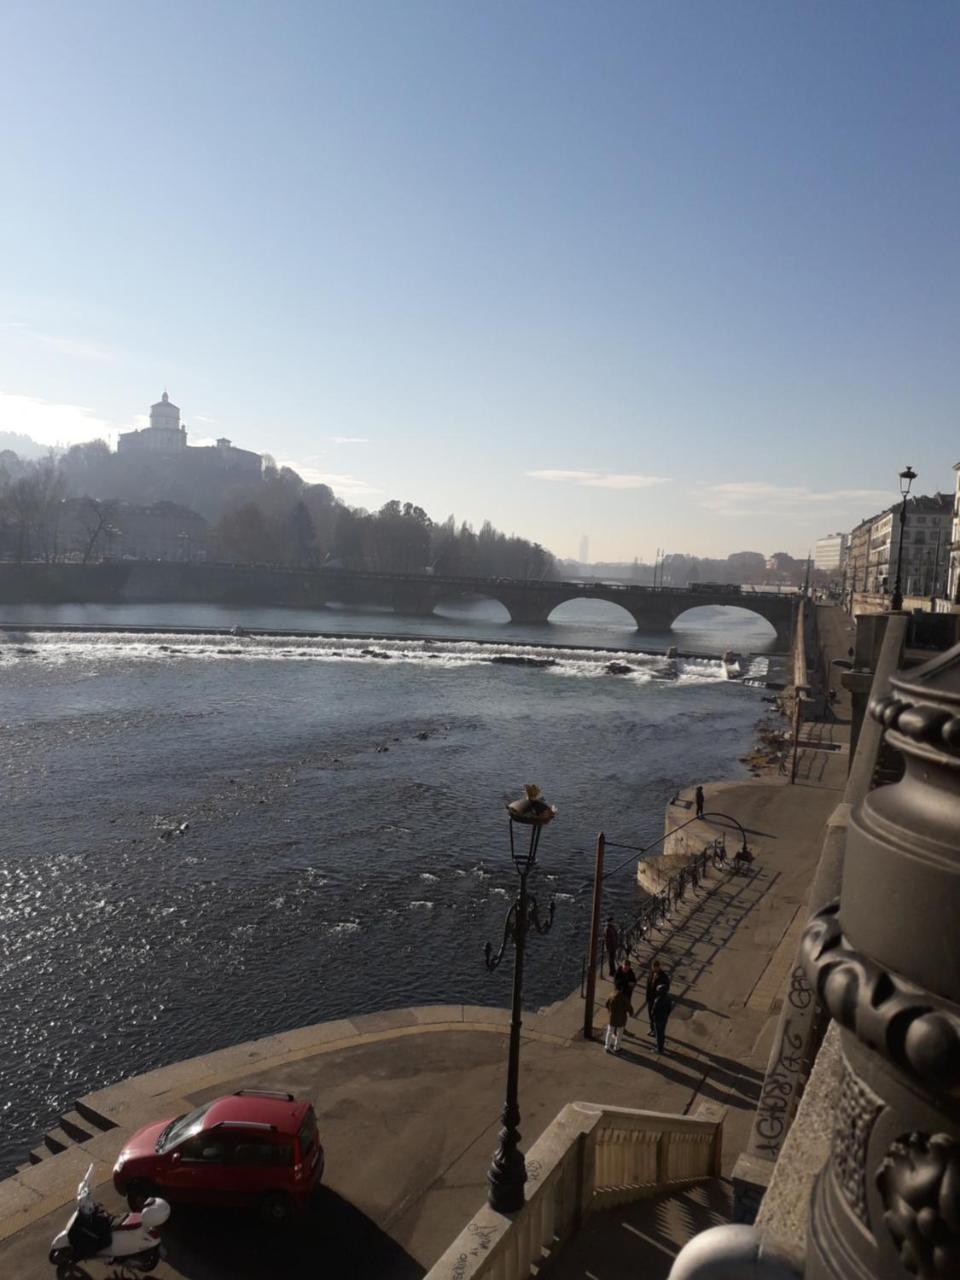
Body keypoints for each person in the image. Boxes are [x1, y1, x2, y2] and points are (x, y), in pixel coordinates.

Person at [604, 985, 634, 1054]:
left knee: (609, 1031)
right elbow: (629, 1008)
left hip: (612, 1017)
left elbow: (606, 1004)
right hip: (621, 1018)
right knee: (619, 1033)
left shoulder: (611, 995)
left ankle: (607, 1046)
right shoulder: (624, 998)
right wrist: (631, 1014)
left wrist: (610, 1011)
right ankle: (617, 1048)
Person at [650, 969, 673, 1054]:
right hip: (664, 1018)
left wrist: (653, 1018)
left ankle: (659, 1049)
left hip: (658, 1019)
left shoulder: (657, 1000)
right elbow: (669, 1009)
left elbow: (653, 1011)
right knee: (662, 1033)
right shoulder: (668, 998)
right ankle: (661, 1047)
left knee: (658, 1034)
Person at [645, 958, 665, 1035]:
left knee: (656, 1016)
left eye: (655, 968)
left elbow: (665, 988)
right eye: (653, 968)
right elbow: (648, 985)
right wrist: (647, 997)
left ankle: (656, 1030)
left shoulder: (663, 976)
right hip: (650, 998)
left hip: (657, 999)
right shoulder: (651, 973)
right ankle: (652, 1028)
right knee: (650, 1015)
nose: (654, 969)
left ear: (659, 967)